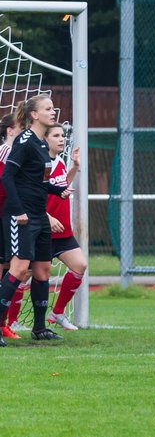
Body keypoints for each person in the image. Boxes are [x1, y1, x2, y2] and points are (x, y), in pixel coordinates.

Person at [0, 95, 74, 344]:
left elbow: (39, 181)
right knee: (19, 269)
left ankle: (39, 328)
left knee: (42, 271)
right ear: (34, 114)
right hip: (21, 216)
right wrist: (19, 210)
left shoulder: (42, 144)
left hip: (39, 216)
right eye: (48, 108)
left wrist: (57, 190)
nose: (53, 112)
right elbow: (7, 177)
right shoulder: (24, 141)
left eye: (53, 108)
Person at [45, 124, 87, 332]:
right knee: (21, 275)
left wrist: (74, 166)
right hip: (44, 229)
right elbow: (33, 193)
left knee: (80, 265)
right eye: (56, 135)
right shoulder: (41, 163)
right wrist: (48, 217)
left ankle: (57, 313)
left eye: (62, 135)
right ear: (45, 139)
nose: (61, 139)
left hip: (63, 231)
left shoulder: (60, 161)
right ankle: (9, 321)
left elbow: (61, 185)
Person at [0, 111, 26, 340]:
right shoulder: (6, 152)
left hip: (8, 217)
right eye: (21, 125)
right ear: (10, 130)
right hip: (4, 215)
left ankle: (4, 322)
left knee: (15, 268)